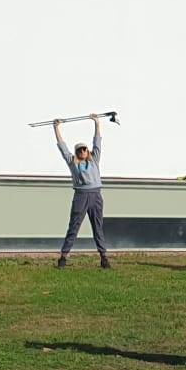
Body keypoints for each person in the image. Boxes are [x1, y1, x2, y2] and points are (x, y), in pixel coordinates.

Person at [54, 115, 112, 269]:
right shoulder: (72, 163)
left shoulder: (94, 159)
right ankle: (63, 258)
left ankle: (104, 258)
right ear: (77, 152)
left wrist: (97, 123)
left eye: (84, 149)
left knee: (97, 226)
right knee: (74, 226)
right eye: (79, 150)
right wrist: (56, 127)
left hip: (96, 195)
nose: (82, 151)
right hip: (81, 196)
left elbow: (97, 142)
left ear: (88, 151)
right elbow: (62, 147)